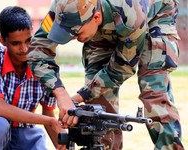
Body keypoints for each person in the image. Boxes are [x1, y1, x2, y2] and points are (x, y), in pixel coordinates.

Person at [27, 0, 184, 150]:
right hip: (104, 22)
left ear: (96, 17)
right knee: (97, 106)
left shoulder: (131, 14)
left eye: (76, 32)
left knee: (153, 92)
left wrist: (79, 96)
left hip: (154, 15)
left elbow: (121, 69)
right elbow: (37, 50)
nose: (72, 38)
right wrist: (62, 96)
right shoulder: (62, 6)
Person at [0, 6, 66, 150]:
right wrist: (49, 121)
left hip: (26, 133)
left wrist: (62, 145)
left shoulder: (44, 65)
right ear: (2, 40)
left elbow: (48, 112)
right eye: (15, 43)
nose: (24, 49)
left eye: (29, 40)